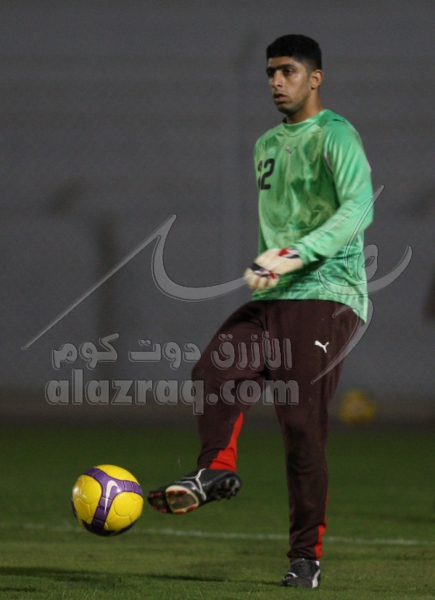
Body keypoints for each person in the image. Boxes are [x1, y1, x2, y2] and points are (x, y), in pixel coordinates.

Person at [147, 34, 373, 589]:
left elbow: (358, 207)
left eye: (288, 71)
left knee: (300, 424)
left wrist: (295, 254)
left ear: (315, 78)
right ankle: (216, 472)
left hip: (329, 294)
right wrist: (275, 264)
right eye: (271, 72)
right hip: (276, 296)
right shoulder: (267, 144)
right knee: (214, 371)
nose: (276, 81)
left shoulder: (337, 135)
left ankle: (305, 557)